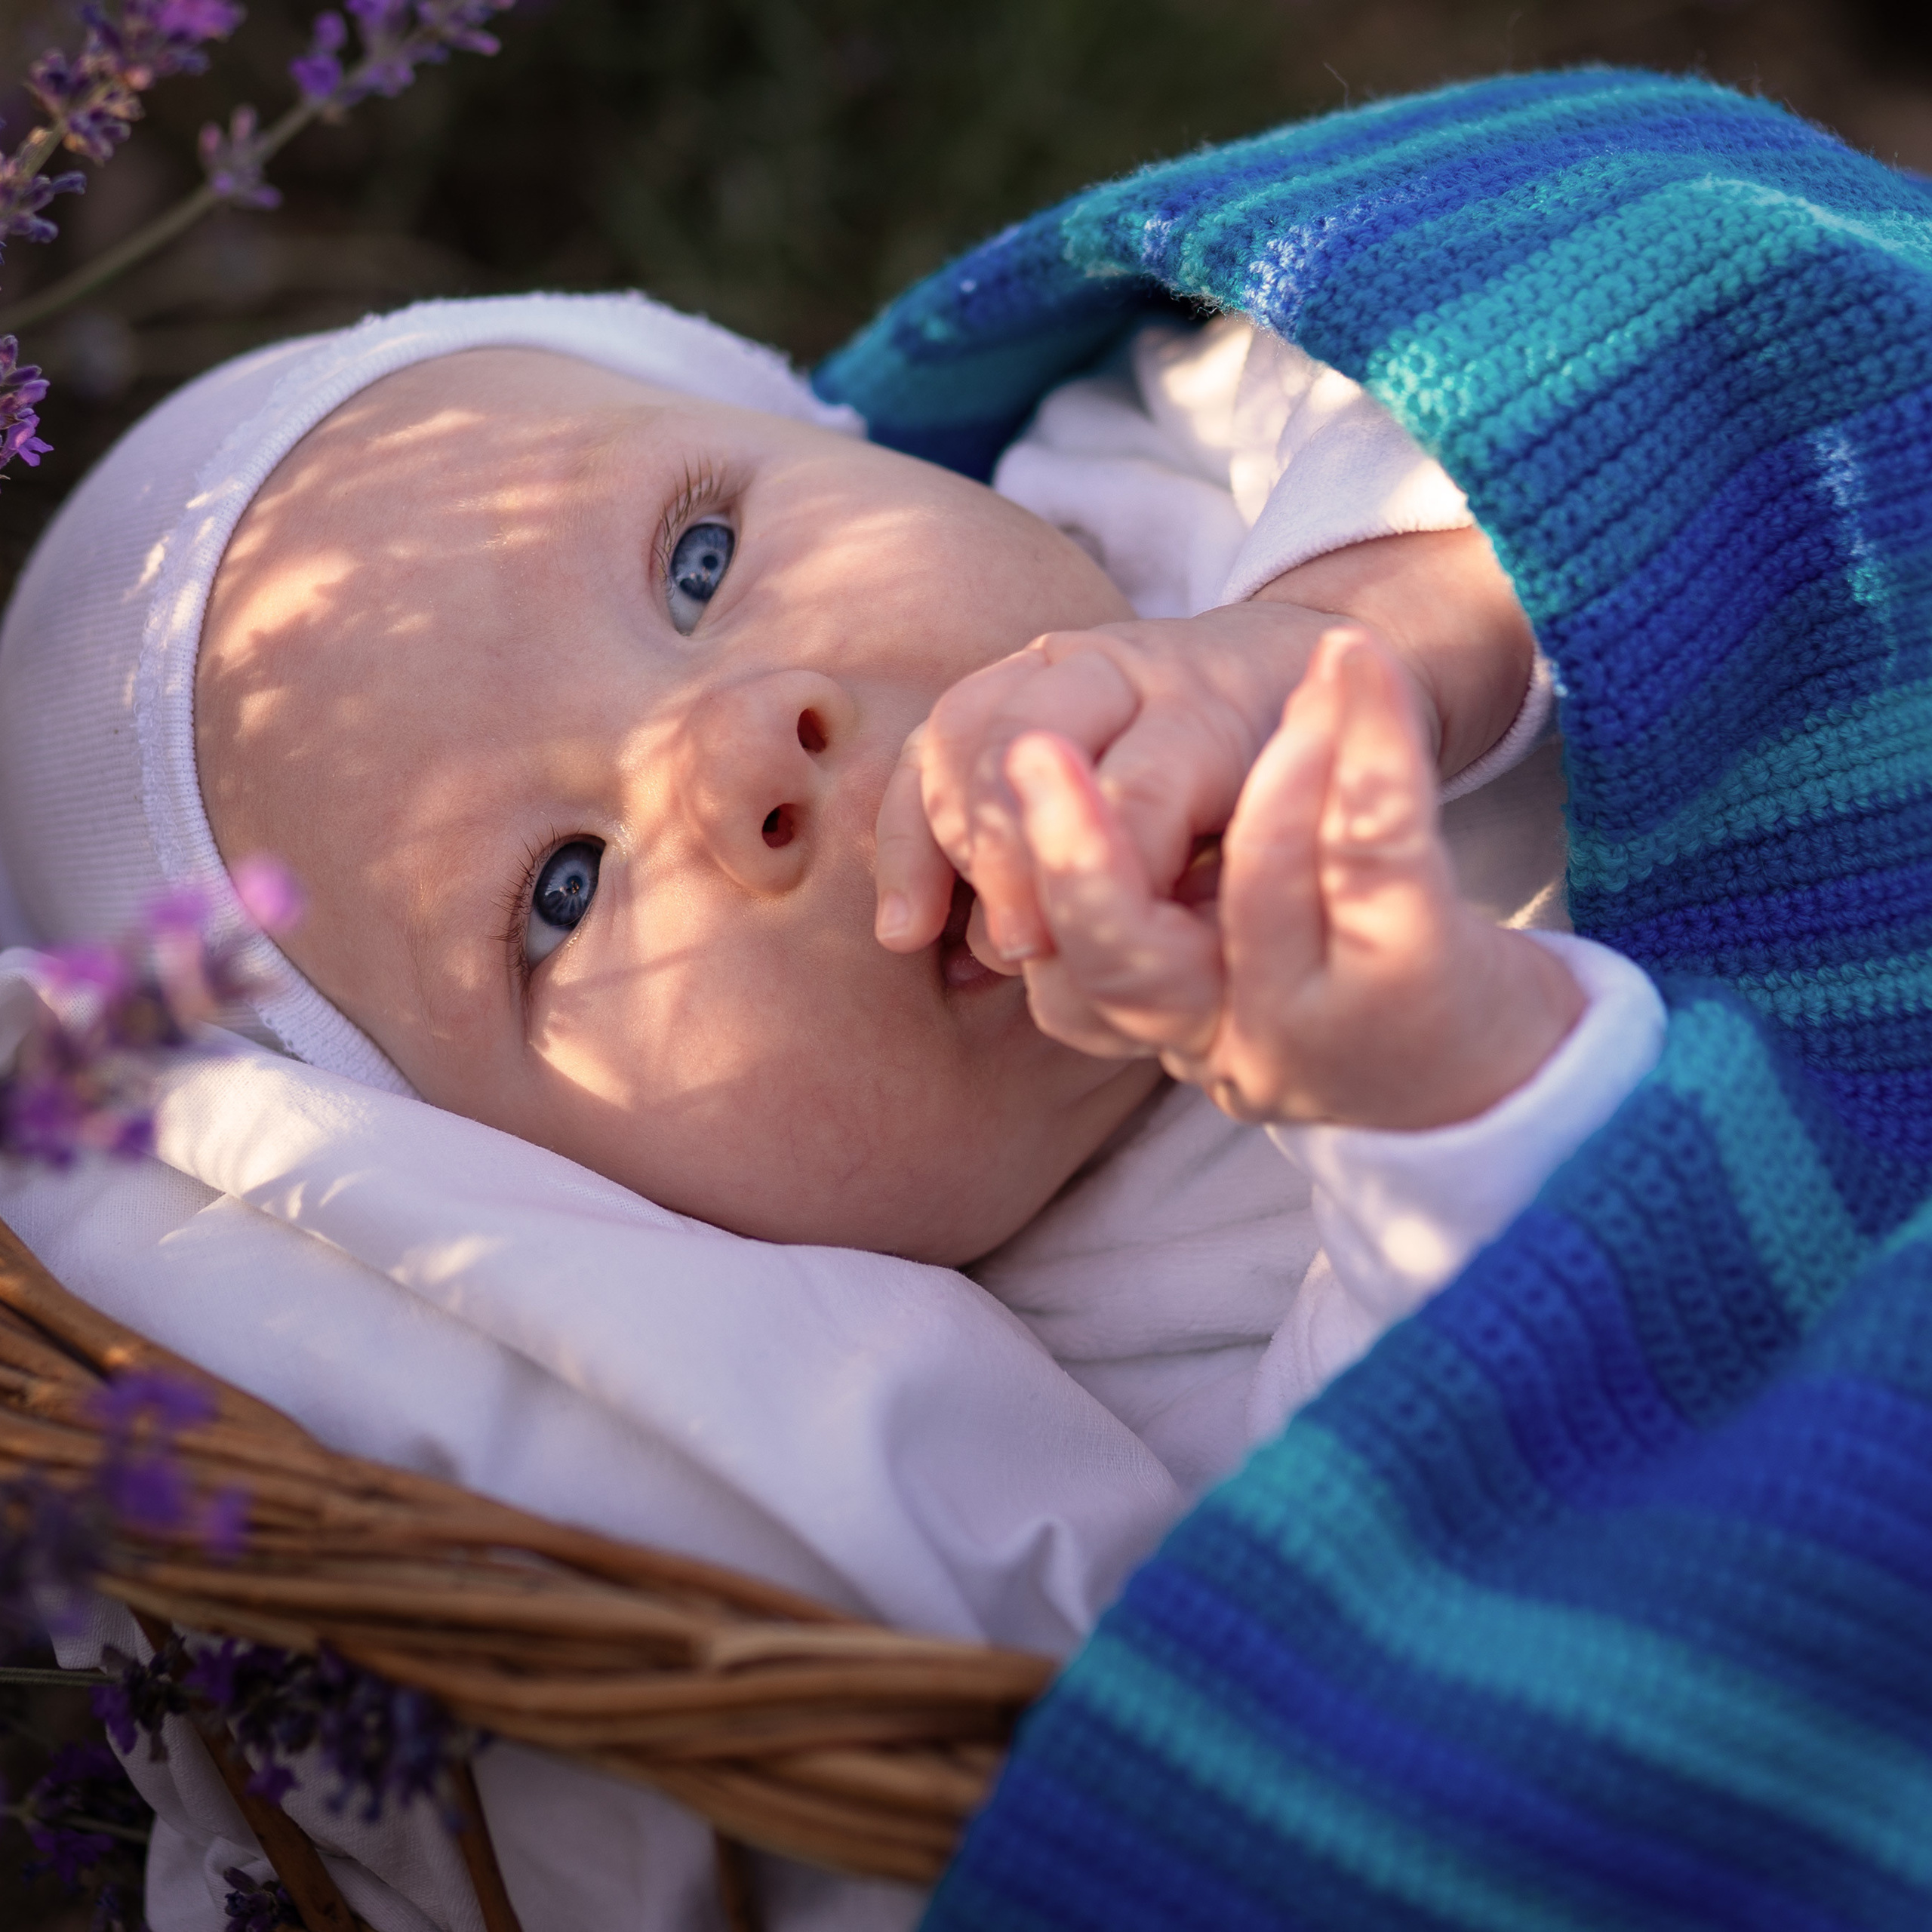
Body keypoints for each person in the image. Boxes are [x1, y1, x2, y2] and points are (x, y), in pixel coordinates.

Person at [0, 291, 1661, 1930]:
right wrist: (1431, 1103)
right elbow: (1437, 1587)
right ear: (587, 1208)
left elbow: (1566, 341)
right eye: (561, 894)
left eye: (696, 560)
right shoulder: (1078, 1394)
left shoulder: (1158, 478)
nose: (743, 758)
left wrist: (1343, 636)